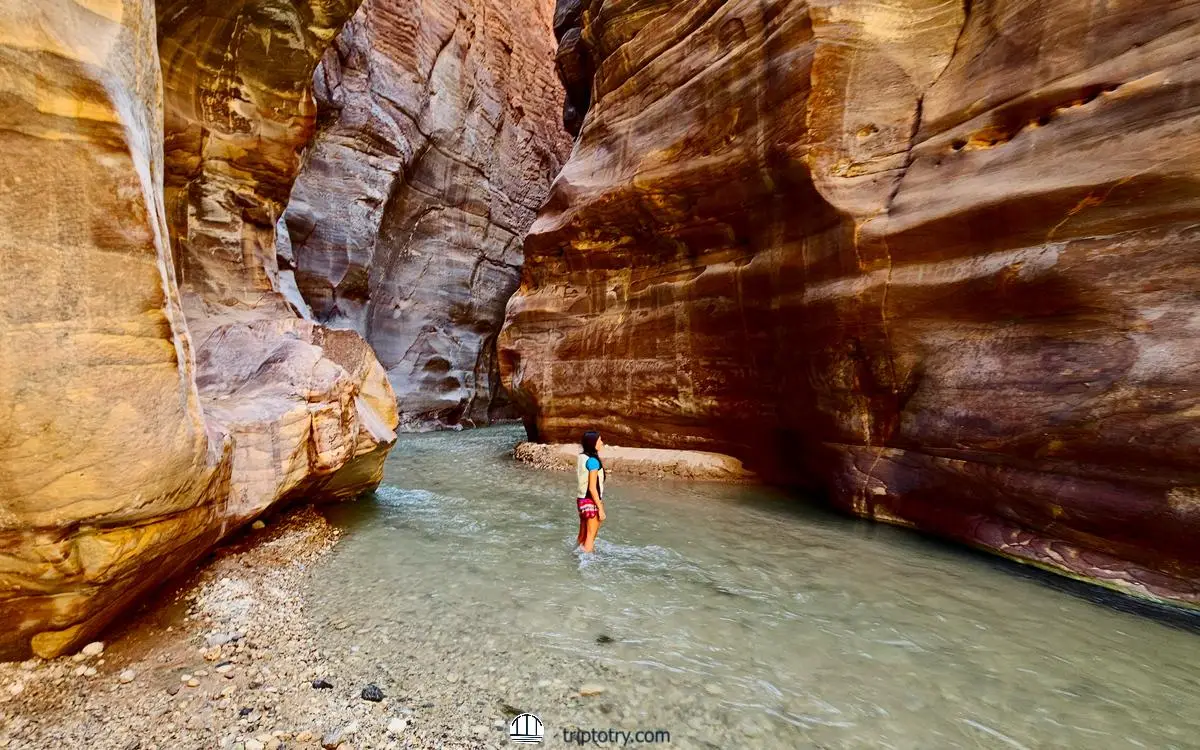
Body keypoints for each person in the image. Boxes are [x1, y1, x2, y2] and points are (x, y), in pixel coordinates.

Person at [576, 430, 607, 553]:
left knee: (582, 536)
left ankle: (574, 556)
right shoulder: (593, 462)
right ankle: (587, 565)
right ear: (593, 443)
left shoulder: (582, 458)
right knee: (590, 537)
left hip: (582, 500)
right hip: (590, 501)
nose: (602, 443)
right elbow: (592, 488)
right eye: (600, 440)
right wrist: (600, 508)